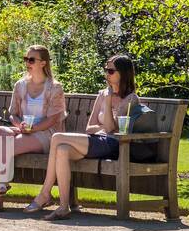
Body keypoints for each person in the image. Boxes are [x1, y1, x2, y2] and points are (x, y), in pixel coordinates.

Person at [26, 54, 140, 221]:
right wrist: (105, 126)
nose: (106, 74)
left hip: (114, 146)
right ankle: (64, 206)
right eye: (105, 70)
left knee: (57, 137)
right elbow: (90, 127)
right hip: (97, 141)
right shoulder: (102, 94)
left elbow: (110, 129)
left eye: (110, 71)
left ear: (123, 73)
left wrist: (108, 102)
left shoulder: (130, 99)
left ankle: (45, 193)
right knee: (63, 149)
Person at [0, 45, 66, 212]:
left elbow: (54, 119)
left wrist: (32, 129)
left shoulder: (55, 87)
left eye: (31, 59)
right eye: (26, 59)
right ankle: (0, 190)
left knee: (4, 146)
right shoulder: (20, 85)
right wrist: (21, 126)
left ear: (43, 63)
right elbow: (13, 114)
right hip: (24, 131)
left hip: (47, 135)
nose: (27, 63)